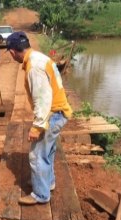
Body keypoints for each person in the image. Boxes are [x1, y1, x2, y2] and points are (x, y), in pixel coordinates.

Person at [6, 32, 73, 205]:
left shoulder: (34, 67)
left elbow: (43, 99)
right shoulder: (38, 57)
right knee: (47, 152)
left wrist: (37, 127)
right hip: (59, 112)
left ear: (13, 52)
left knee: (36, 155)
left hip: (52, 114)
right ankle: (47, 183)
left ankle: (41, 195)